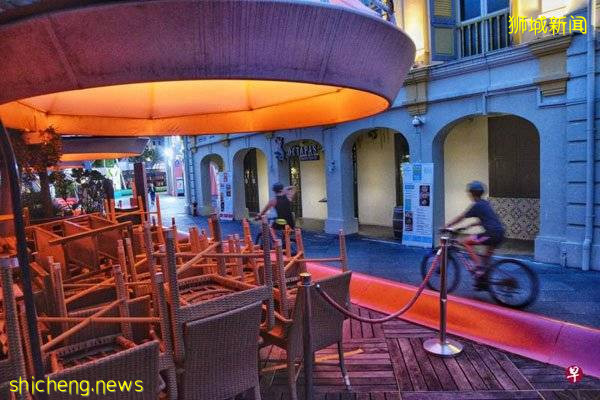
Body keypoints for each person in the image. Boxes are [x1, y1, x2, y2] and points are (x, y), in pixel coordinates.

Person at [444, 181, 505, 289]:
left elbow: (461, 217)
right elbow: (487, 219)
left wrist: (448, 225)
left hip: (492, 234)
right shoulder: (485, 203)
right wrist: (470, 225)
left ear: (472, 193)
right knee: (486, 258)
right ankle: (482, 282)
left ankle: (479, 270)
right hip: (499, 233)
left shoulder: (476, 205)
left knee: (466, 242)